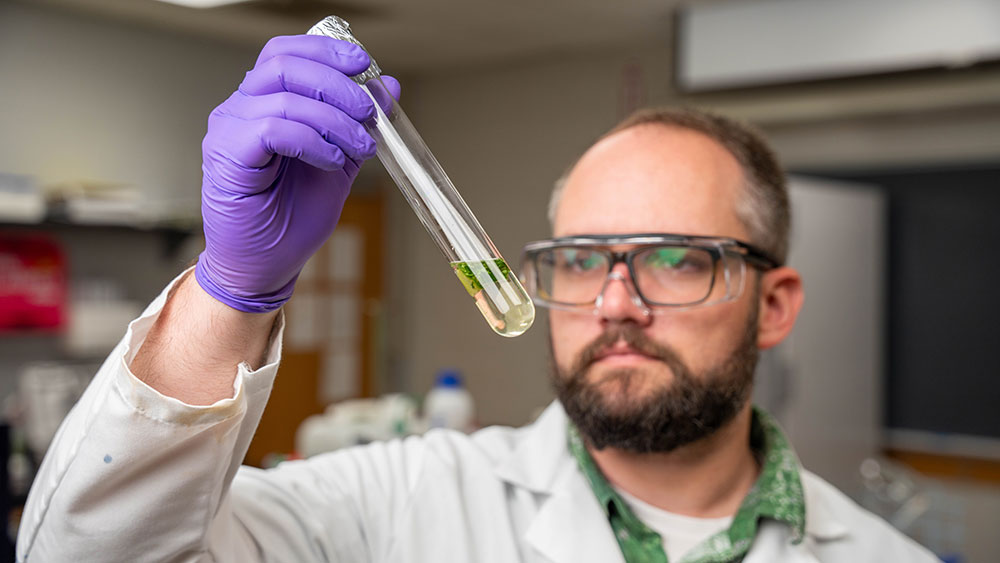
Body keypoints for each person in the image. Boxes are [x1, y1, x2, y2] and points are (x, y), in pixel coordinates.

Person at [17, 34, 936, 563]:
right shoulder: (395, 503)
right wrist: (231, 291)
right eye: (580, 258)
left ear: (773, 302)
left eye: (671, 257)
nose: (614, 302)